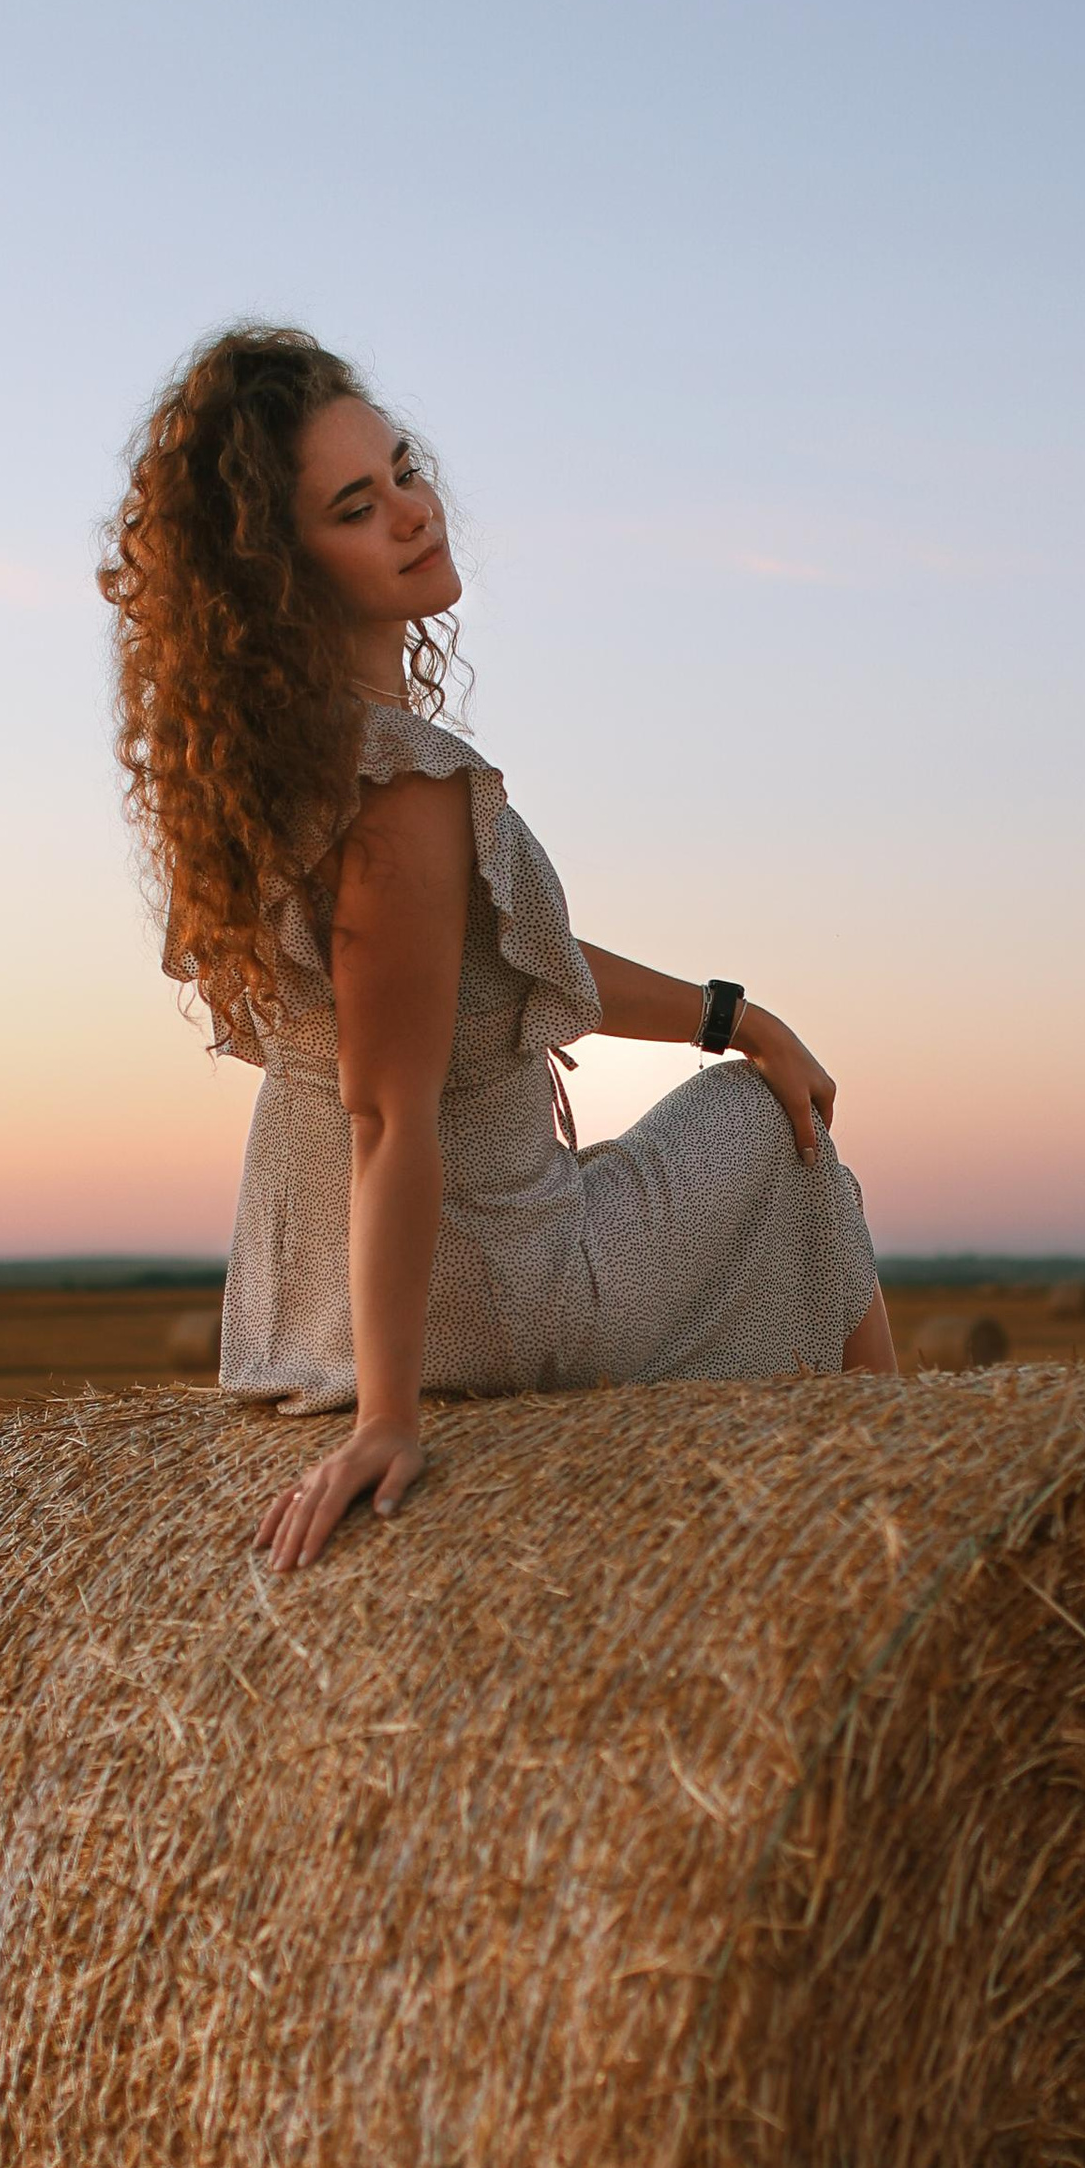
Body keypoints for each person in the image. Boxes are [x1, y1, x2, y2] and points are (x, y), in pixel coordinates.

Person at [102, 327, 895, 1572]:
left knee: (753, 1076)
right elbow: (387, 1115)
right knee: (779, 1137)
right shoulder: (405, 785)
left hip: (299, 1294)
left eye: (403, 470)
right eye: (358, 508)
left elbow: (495, 952)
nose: (413, 512)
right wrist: (388, 1420)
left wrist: (731, 1013)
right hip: (483, 1288)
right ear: (284, 575)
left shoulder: (267, 778)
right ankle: (891, 1515)